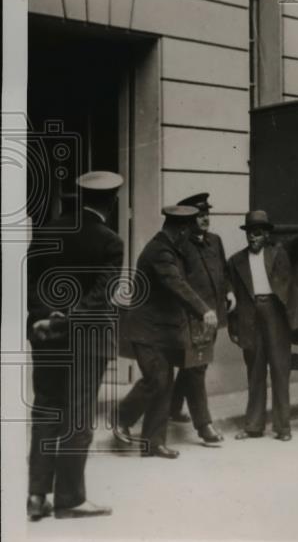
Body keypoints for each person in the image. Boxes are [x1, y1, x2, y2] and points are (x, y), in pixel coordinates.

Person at [26, 171, 124, 520]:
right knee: (78, 417)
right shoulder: (110, 241)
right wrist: (64, 320)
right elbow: (99, 297)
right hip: (86, 340)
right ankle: (69, 499)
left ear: (80, 199)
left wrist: (45, 316)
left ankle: (37, 498)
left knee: (47, 409)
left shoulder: (48, 231)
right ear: (112, 201)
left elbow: (31, 281)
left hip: (45, 337)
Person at [228, 199, 298, 441]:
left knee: (280, 371)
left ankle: (283, 428)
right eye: (250, 234)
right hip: (251, 319)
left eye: (257, 233)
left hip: (276, 317)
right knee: (255, 373)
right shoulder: (236, 261)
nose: (253, 238)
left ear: (266, 234)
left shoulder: (279, 252)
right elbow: (229, 292)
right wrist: (234, 327)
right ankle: (253, 426)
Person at [113, 205, 215, 459]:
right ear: (180, 229)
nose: (187, 236)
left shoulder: (173, 249)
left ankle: (152, 443)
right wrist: (204, 310)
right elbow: (176, 284)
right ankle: (121, 417)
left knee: (164, 382)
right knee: (157, 379)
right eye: (186, 231)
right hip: (145, 330)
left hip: (161, 331)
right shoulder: (160, 251)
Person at [167, 192, 232, 446]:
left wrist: (229, 292)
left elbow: (224, 272)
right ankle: (204, 425)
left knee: (194, 364)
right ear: (189, 219)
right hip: (195, 317)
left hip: (214, 315)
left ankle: (173, 407)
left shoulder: (215, 241)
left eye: (207, 214)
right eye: (199, 215)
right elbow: (180, 283)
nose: (205, 219)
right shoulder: (182, 246)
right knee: (196, 368)